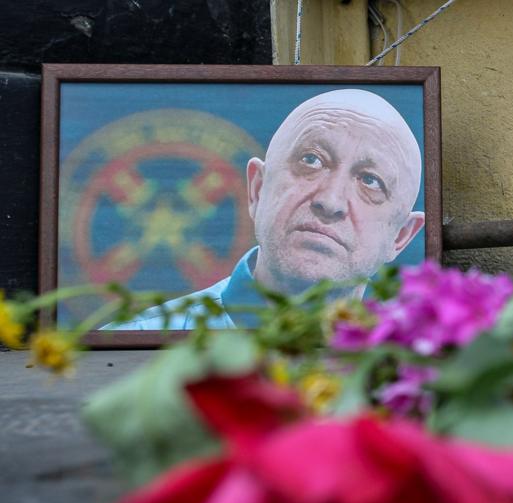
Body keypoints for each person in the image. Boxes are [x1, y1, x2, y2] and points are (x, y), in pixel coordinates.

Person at [104, 89, 425, 330]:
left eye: (370, 181)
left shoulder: (416, 377)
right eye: (311, 160)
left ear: (400, 237)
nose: (331, 202)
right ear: (257, 189)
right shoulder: (129, 347)